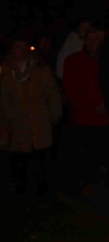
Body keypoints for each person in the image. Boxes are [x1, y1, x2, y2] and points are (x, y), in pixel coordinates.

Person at [0, 38, 62, 195]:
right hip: (14, 124)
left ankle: (42, 190)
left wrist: (54, 115)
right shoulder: (4, 71)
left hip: (39, 122)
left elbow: (53, 95)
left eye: (22, 47)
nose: (19, 50)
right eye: (16, 47)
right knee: (18, 160)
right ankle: (20, 190)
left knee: (40, 158)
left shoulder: (41, 70)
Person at [62, 27, 109, 192]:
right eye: (89, 39)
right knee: (86, 154)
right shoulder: (73, 60)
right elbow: (70, 89)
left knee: (108, 152)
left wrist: (107, 104)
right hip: (84, 117)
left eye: (96, 39)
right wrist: (91, 105)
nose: (92, 43)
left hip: (106, 117)